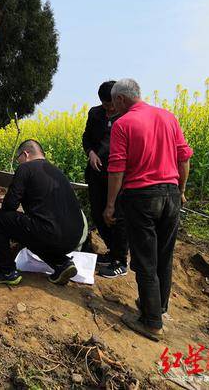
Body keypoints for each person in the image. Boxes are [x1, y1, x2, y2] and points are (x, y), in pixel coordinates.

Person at [104, 78, 193, 338]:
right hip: (171, 194)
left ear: (121, 99)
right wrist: (182, 190)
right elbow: (184, 158)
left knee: (145, 259)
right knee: (164, 256)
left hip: (141, 197)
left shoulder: (123, 124)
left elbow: (117, 168)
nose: (113, 108)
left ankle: (151, 322)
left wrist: (110, 205)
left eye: (114, 102)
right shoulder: (168, 117)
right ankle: (158, 307)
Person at [0, 139, 88, 285]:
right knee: (34, 230)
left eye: (18, 158)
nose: (18, 163)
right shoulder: (56, 171)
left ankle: (6, 272)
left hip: (51, 234)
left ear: (26, 154)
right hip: (74, 238)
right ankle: (62, 264)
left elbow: (9, 206)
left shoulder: (25, 168)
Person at [82, 80, 129, 278]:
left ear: (118, 99)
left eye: (111, 104)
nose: (108, 108)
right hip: (96, 173)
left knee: (117, 214)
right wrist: (91, 152)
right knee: (99, 213)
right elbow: (86, 137)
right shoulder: (95, 114)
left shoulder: (127, 116)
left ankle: (121, 260)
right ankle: (112, 251)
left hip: (118, 175)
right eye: (104, 104)